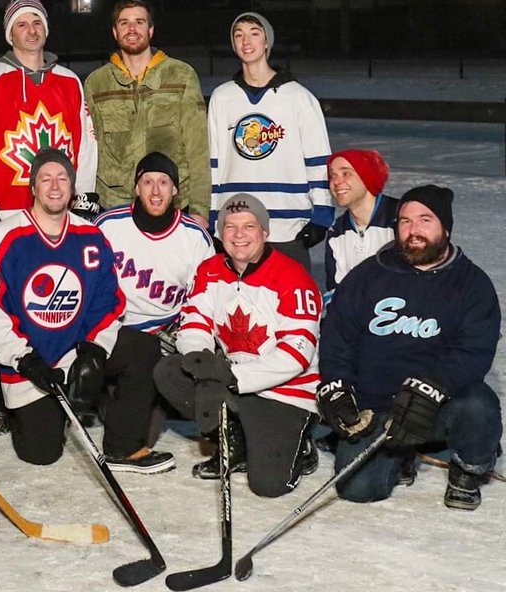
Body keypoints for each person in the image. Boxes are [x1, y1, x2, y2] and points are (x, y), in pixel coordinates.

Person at [0, 148, 172, 471]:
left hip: (74, 350)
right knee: (42, 454)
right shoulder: (5, 238)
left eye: (62, 178)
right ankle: (40, 408)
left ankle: (123, 447)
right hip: (30, 362)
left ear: (72, 186)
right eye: (46, 179)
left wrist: (94, 349)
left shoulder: (91, 236)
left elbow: (109, 300)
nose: (55, 186)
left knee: (143, 348)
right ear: (33, 186)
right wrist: (24, 359)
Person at [318, 185, 501, 510]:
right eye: (404, 221)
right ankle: (399, 453)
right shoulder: (368, 276)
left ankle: (468, 466)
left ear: (445, 228)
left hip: (438, 402)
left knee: (478, 406)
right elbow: (337, 339)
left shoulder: (472, 285)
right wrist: (338, 387)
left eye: (424, 220)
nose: (413, 230)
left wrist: (429, 388)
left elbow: (474, 351)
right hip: (378, 407)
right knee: (356, 488)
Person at [155, 193, 321, 497]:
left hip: (285, 391)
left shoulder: (293, 277)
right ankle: (234, 438)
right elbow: (194, 319)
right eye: (230, 226)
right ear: (220, 233)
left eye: (249, 226)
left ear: (265, 232)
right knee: (169, 371)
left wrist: (233, 378)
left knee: (268, 486)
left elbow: (297, 354)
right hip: (234, 379)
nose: (239, 235)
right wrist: (200, 360)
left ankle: (300, 441)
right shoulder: (210, 269)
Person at [0, 0, 99, 252]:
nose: (31, 30)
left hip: (60, 211)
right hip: (6, 214)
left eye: (37, 22)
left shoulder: (70, 81)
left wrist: (84, 195)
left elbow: (86, 144)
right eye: (21, 24)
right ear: (10, 34)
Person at [207, 12, 332, 272]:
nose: (246, 41)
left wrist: (321, 213)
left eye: (254, 33)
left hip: (287, 226)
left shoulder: (298, 97)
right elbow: (214, 162)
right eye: (238, 35)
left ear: (267, 43)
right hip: (237, 225)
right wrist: (212, 213)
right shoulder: (222, 97)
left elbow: (318, 159)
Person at [84, 0, 210, 228]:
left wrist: (200, 209)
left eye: (139, 22)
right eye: (124, 23)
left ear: (150, 30)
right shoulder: (96, 83)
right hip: (115, 206)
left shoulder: (180, 75)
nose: (132, 29)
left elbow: (198, 148)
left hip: (172, 204)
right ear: (115, 31)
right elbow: (90, 151)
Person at [95, 152, 214, 353]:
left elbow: (205, 300)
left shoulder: (194, 237)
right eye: (147, 182)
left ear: (175, 189)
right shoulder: (106, 226)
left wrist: (187, 333)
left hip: (166, 331)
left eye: (164, 182)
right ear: (136, 188)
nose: (156, 191)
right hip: (114, 329)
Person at [323, 149, 397, 304]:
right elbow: (335, 293)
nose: (336, 182)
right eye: (333, 175)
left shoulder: (400, 218)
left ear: (366, 177)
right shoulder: (337, 232)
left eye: (346, 173)